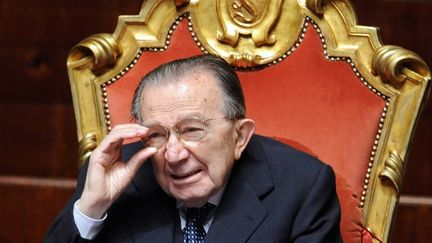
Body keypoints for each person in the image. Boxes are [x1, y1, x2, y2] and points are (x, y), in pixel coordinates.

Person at [45, 54, 342, 242]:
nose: (174, 154)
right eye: (158, 135)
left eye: (192, 130)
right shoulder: (117, 178)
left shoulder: (302, 188)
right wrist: (91, 209)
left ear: (240, 136)